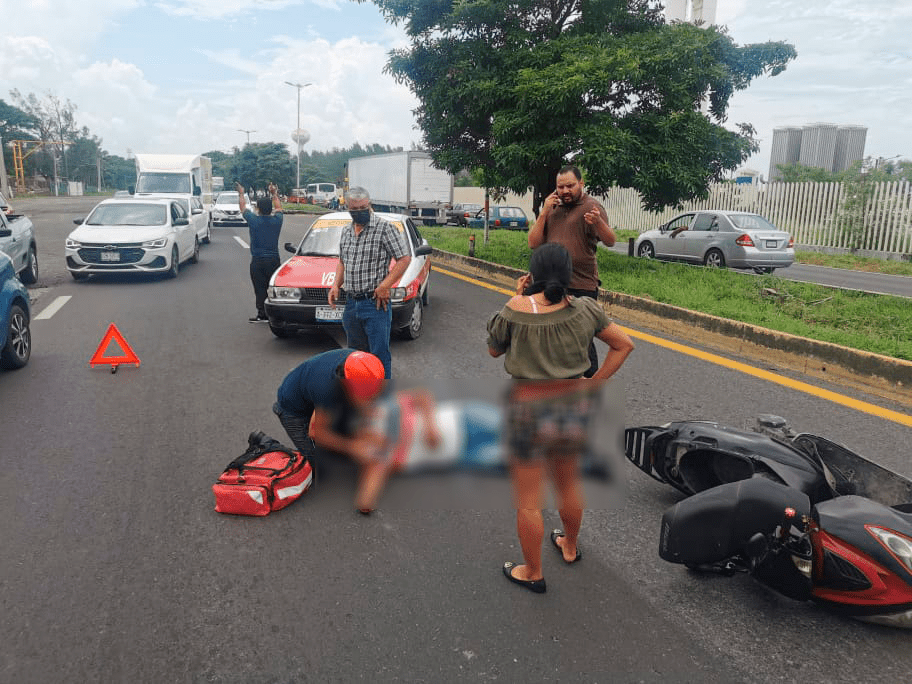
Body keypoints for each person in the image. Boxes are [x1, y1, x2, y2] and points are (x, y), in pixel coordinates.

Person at [486, 243, 634, 593]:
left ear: (533, 274)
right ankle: (569, 545)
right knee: (568, 483)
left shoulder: (515, 309)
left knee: (529, 499)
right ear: (569, 275)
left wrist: (517, 295)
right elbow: (624, 345)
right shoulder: (587, 309)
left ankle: (532, 571)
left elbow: (494, 349)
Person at [527, 165, 617, 377]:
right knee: (550, 335)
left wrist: (598, 223)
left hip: (581, 285)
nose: (565, 191)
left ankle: (588, 381)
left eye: (570, 186)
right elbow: (533, 243)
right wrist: (544, 213)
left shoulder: (592, 207)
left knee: (581, 337)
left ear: (581, 184)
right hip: (550, 284)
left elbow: (611, 241)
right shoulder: (552, 207)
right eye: (561, 187)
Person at [273, 349, 389, 510]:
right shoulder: (326, 388)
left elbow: (369, 405)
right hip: (293, 410)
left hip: (319, 394)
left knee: (358, 434)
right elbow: (315, 432)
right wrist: (351, 446)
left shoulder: (366, 366)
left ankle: (341, 439)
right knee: (323, 471)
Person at [327, 187, 411, 378]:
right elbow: (342, 261)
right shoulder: (347, 231)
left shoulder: (384, 228)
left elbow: (404, 259)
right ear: (348, 208)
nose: (361, 211)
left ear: (369, 204)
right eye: (355, 209)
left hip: (374, 304)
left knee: (379, 356)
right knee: (355, 356)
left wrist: (385, 286)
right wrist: (335, 285)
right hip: (351, 303)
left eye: (364, 207)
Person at [238, 181, 282, 323]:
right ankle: (276, 314)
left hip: (258, 260)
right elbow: (279, 207)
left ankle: (262, 314)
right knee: (273, 288)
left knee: (260, 288)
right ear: (270, 209)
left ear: (257, 209)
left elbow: (243, 208)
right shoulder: (277, 220)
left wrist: (241, 193)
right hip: (274, 260)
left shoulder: (254, 220)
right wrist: (274, 193)